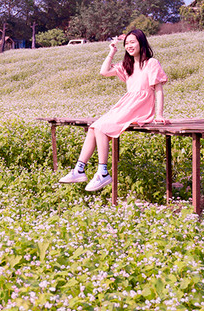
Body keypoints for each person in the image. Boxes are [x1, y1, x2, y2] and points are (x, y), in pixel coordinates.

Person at [59, 28, 168, 191]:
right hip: (127, 103)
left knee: (101, 127)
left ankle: (102, 172)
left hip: (141, 106)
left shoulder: (151, 63)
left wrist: (159, 114)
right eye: (127, 43)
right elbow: (104, 72)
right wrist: (112, 51)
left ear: (141, 42)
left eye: (133, 42)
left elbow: (158, 90)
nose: (129, 46)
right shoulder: (127, 65)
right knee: (94, 127)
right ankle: (79, 169)